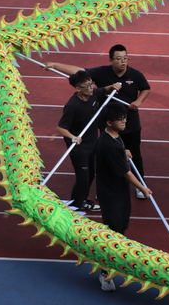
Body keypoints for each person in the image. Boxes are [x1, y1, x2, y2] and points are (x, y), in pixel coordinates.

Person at [44, 44, 151, 199]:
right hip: (107, 121)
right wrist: (55, 65)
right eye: (119, 58)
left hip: (130, 120)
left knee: (134, 153)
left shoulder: (135, 74)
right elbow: (79, 72)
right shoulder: (101, 72)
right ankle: (107, 186)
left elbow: (146, 88)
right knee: (108, 153)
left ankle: (140, 184)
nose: (123, 61)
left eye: (126, 58)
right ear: (111, 60)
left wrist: (139, 101)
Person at [94, 103, 152, 291]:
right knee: (114, 231)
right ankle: (105, 274)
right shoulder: (107, 144)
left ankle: (113, 264)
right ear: (109, 122)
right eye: (121, 119)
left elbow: (121, 155)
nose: (124, 121)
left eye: (125, 118)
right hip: (111, 194)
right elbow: (125, 173)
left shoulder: (116, 137)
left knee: (121, 227)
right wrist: (142, 188)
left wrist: (124, 152)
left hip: (119, 191)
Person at [57, 71, 120, 212]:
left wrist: (115, 86)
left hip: (92, 144)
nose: (92, 87)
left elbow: (105, 89)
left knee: (91, 174)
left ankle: (81, 200)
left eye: (92, 84)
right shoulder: (72, 105)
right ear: (78, 89)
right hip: (79, 148)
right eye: (88, 86)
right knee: (83, 178)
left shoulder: (93, 94)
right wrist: (73, 137)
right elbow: (61, 127)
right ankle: (74, 206)